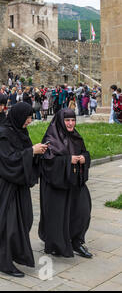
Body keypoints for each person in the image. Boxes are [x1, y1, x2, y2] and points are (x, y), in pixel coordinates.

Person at [0, 103, 48, 277]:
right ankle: (5, 263)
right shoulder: (3, 135)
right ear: (18, 116)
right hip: (4, 185)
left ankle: (13, 253)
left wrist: (35, 152)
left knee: (24, 219)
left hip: (17, 184)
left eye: (30, 117)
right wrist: (31, 151)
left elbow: (21, 154)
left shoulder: (19, 131)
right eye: (28, 117)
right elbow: (8, 161)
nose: (29, 121)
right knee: (9, 224)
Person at [39, 109, 93, 258]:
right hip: (57, 186)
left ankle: (77, 240)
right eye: (67, 120)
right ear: (60, 121)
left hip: (75, 182)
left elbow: (84, 152)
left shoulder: (76, 136)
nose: (70, 123)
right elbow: (46, 163)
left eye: (73, 120)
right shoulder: (51, 137)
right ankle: (58, 244)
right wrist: (67, 160)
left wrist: (84, 158)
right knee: (59, 216)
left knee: (83, 210)